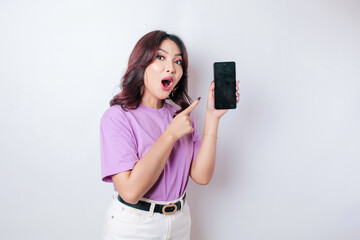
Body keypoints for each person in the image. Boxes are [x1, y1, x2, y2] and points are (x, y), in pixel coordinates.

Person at [100, 30, 239, 240]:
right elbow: (129, 191)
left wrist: (212, 117)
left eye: (178, 61)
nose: (171, 68)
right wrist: (170, 135)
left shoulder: (178, 116)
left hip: (179, 221)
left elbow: (201, 176)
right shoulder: (117, 117)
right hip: (134, 225)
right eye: (160, 57)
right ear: (141, 63)